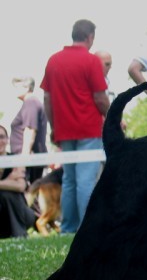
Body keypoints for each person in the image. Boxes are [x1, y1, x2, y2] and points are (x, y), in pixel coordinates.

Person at [40, 19, 110, 234]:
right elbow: (99, 97)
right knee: (86, 181)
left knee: (69, 180)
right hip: (89, 129)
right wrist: (111, 117)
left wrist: (54, 127)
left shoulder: (53, 61)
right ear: (90, 37)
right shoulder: (90, 62)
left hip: (64, 130)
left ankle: (68, 228)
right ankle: (87, 229)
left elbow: (47, 99)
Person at [0, 125, 36, 238]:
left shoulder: (15, 159)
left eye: (1, 137)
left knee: (8, 194)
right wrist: (9, 180)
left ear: (7, 139)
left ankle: (19, 234)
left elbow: (20, 186)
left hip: (22, 214)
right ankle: (19, 234)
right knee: (6, 193)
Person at [10, 76, 48, 184]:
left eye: (17, 86)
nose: (14, 90)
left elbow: (30, 130)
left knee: (28, 193)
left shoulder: (30, 102)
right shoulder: (32, 102)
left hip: (28, 160)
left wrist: (23, 159)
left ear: (27, 88)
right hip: (30, 159)